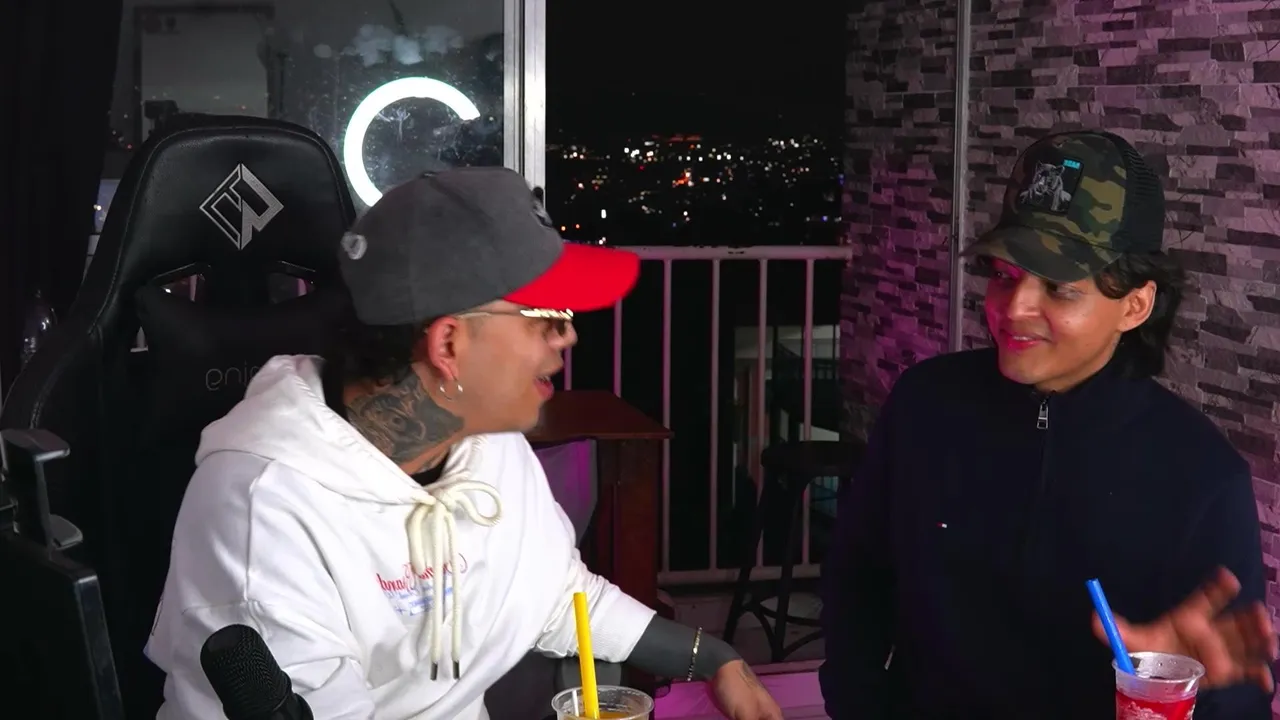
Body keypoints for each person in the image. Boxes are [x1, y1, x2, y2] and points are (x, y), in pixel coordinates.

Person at [145, 167, 783, 720]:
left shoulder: (483, 441)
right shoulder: (265, 507)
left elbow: (553, 595)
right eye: (545, 316)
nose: (567, 336)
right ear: (448, 343)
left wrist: (715, 659)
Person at [819, 131, 1278, 719]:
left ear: (1135, 305)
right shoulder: (925, 405)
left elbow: (1235, 703)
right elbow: (858, 574)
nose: (1014, 310)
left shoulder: (1200, 479)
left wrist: (1176, 693)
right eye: (1005, 276)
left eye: (1059, 288)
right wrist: (859, 701)